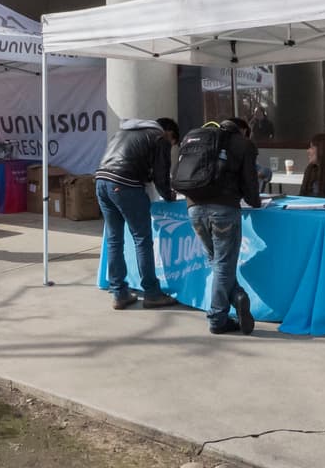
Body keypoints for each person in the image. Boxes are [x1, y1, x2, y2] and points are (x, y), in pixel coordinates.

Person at [94, 117, 180, 311]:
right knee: (142, 239)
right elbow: (161, 175)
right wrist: (168, 195)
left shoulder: (124, 132)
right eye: (173, 143)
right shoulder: (159, 138)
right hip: (126, 185)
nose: (171, 146)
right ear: (169, 133)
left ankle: (119, 293)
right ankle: (152, 293)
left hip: (101, 181)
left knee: (114, 239)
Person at [185, 119, 260, 335]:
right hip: (224, 209)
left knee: (217, 262)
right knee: (224, 264)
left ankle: (237, 296)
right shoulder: (243, 144)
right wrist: (255, 202)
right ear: (242, 131)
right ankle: (218, 318)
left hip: (193, 207)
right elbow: (250, 181)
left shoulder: (200, 139)